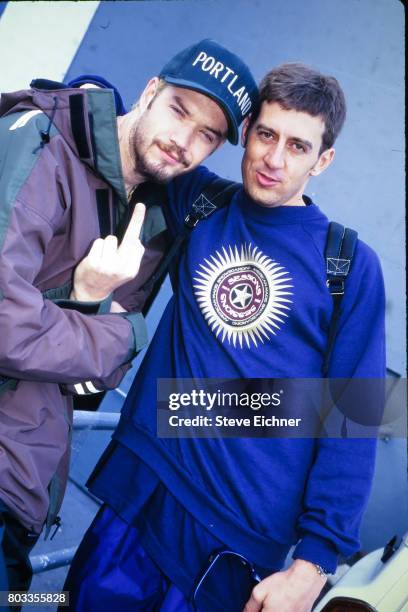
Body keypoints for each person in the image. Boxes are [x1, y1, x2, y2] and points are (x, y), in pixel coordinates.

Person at [63, 64, 385, 611]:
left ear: (322, 160)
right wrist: (89, 90)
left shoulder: (349, 266)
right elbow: (125, 127)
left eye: (298, 146)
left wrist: (312, 566)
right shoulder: (201, 202)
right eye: (266, 134)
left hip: (237, 539)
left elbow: (355, 415)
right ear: (247, 132)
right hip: (145, 486)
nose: (275, 159)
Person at [0, 39, 258, 596]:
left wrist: (82, 315)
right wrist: (108, 318)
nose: (182, 142)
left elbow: (100, 379)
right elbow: (7, 323)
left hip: (25, 491)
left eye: (207, 136)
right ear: (148, 92)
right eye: (179, 111)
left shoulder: (151, 213)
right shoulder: (43, 142)